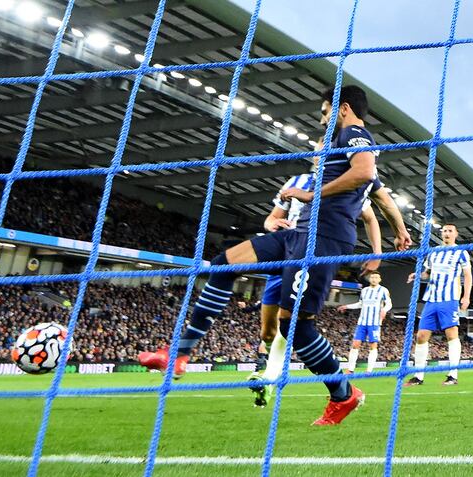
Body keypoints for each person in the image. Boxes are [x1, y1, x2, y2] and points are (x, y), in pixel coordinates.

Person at [139, 85, 412, 426]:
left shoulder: (355, 134)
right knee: (223, 264)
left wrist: (311, 196)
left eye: (325, 112)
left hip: (322, 239)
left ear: (342, 109)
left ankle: (343, 394)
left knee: (294, 325)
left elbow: (365, 173)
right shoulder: (334, 149)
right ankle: (179, 354)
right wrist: (399, 232)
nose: (322, 120)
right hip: (296, 235)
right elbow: (383, 198)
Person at [248, 140, 406, 407]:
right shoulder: (296, 181)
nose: (323, 156)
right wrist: (272, 223)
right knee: (269, 331)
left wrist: (376, 252)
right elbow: (270, 218)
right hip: (281, 255)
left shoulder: (346, 187)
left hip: (309, 256)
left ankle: (271, 380)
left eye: (329, 152)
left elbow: (370, 217)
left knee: (292, 323)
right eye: (320, 151)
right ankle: (321, 384)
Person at [404, 224, 472, 386]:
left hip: (449, 299)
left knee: (451, 334)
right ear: (441, 234)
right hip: (431, 299)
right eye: (444, 231)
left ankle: (452, 375)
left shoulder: (461, 252)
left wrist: (466, 296)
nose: (447, 233)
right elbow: (427, 273)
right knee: (421, 336)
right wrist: (417, 275)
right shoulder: (434, 252)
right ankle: (418, 377)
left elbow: (468, 276)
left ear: (456, 234)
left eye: (450, 231)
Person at [338, 270, 392, 374]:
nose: (374, 279)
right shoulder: (364, 290)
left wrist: (384, 310)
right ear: (369, 278)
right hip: (362, 322)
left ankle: (369, 370)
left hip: (374, 323)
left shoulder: (383, 290)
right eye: (372, 277)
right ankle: (350, 369)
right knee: (355, 344)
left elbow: (389, 304)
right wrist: (347, 306)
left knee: (373, 345)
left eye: (376, 277)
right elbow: (360, 304)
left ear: (379, 279)